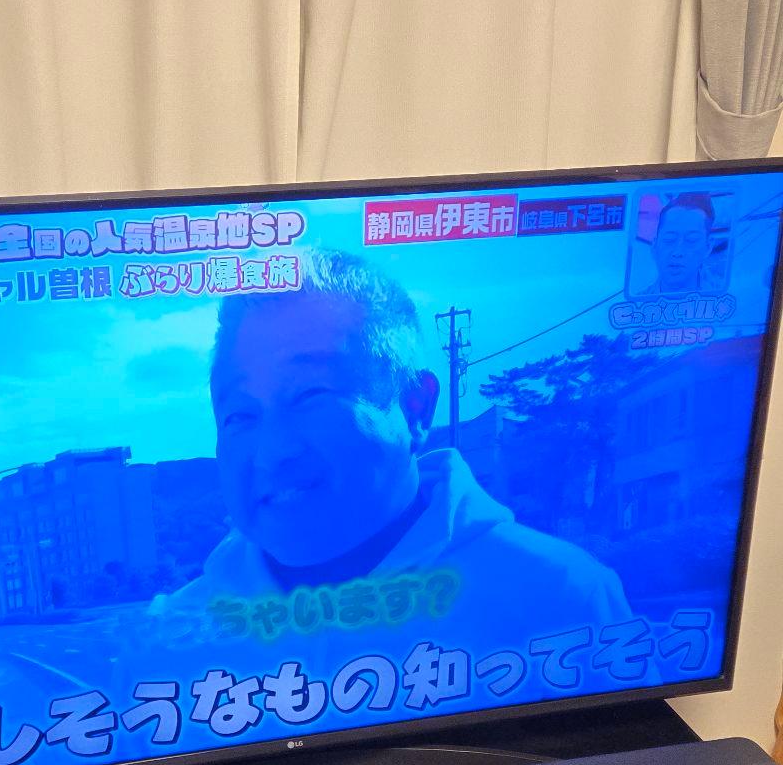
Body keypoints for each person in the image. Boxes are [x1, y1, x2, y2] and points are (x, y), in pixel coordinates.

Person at [153, 249, 630, 648]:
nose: (272, 453)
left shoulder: (559, 600)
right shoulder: (169, 645)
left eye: (311, 395)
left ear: (415, 407)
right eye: (239, 416)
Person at [636, 193, 716, 297]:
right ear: (654, 246)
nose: (677, 252)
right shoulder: (634, 304)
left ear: (708, 247)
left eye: (691, 240)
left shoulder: (725, 301)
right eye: (669, 239)